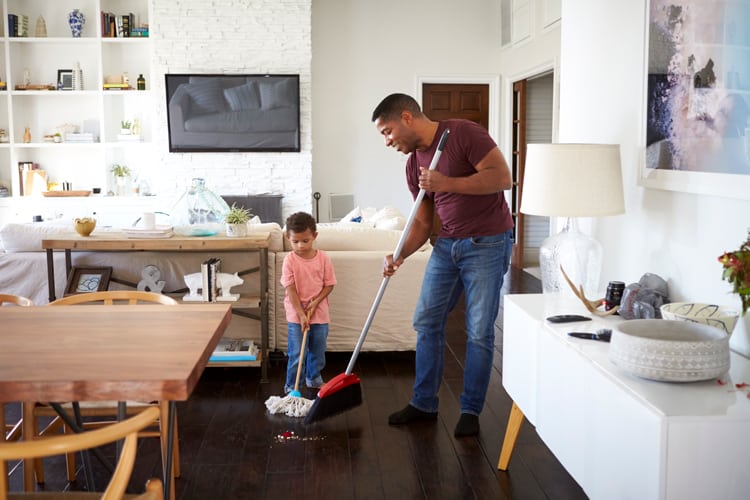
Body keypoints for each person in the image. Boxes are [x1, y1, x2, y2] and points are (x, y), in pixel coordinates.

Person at [371, 93, 514, 437]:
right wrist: (400, 253)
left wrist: (446, 182)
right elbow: (422, 223)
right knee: (426, 321)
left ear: (406, 117)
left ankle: (471, 410)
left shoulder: (463, 133)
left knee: (479, 330)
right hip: (446, 245)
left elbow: (502, 177)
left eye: (387, 132)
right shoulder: (412, 165)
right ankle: (423, 403)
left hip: (488, 243)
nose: (387, 142)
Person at [281, 212, 336, 394]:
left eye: (305, 241)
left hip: (319, 313)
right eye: (295, 241)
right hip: (296, 314)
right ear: (287, 237)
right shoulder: (289, 260)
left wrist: (316, 302)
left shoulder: (323, 258)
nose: (300, 246)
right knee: (297, 353)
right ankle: (292, 386)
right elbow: (291, 289)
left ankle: (313, 378)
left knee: (317, 351)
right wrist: (302, 314)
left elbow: (329, 285)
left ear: (314, 236)